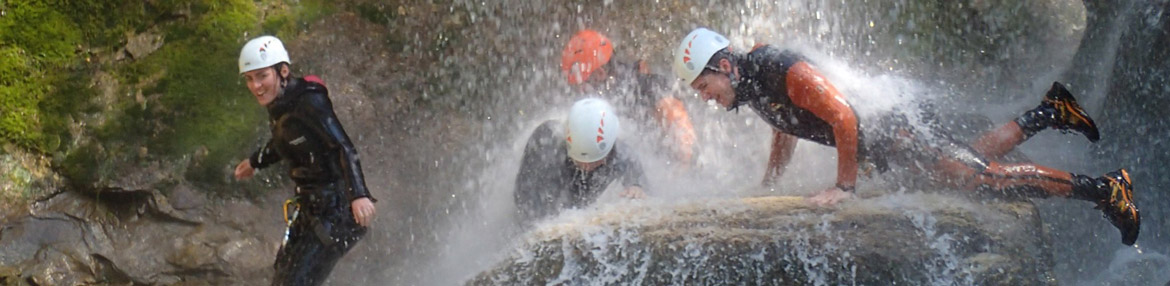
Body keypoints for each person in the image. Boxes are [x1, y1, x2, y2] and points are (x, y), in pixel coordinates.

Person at [671, 28, 1140, 245]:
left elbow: (844, 118)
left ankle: (1106, 190)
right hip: (888, 140)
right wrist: (770, 182)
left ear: (724, 66)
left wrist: (844, 187)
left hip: (898, 128)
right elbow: (785, 125)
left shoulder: (778, 68)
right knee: (969, 164)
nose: (707, 98)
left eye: (704, 88)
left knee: (979, 179)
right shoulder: (750, 87)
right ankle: (1050, 111)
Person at [231, 35, 378, 285]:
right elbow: (285, 141)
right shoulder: (281, 105)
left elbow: (343, 147)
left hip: (338, 210)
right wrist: (255, 161)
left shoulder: (309, 101)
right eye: (249, 79)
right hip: (313, 208)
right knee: (283, 275)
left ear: (283, 71)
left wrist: (359, 195)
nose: (256, 86)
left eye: (262, 76)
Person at [562, 29, 697, 168]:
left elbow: (682, 134)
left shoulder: (645, 87)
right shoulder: (610, 93)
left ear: (600, 73)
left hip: (660, 164)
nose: (581, 90)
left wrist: (682, 167)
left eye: (584, 83)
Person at [514, 98, 648, 223]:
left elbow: (639, 180)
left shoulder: (620, 153)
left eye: (594, 162)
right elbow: (524, 197)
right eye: (579, 161)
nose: (586, 166)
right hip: (549, 200)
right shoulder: (545, 144)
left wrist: (637, 187)